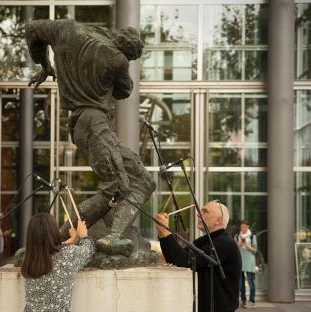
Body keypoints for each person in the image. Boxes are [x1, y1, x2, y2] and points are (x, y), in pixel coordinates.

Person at [25, 19, 157, 255]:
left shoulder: (66, 29)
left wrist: (46, 65)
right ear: (128, 52)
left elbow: (32, 30)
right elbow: (124, 90)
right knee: (114, 186)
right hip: (94, 122)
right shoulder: (118, 60)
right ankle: (54, 243)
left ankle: (114, 235)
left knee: (144, 180)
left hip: (89, 124)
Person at [155, 200, 241, 312]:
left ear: (218, 220)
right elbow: (175, 258)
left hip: (219, 308)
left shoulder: (224, 243)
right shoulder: (205, 240)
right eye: (200, 211)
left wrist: (166, 233)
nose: (198, 214)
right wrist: (162, 234)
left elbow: (186, 261)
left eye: (205, 211)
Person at [21, 213, 94, 312]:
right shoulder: (68, 255)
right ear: (53, 232)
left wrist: (72, 240)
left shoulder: (29, 259)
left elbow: (49, 249)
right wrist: (83, 235)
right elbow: (89, 250)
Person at [235, 220, 257, 308]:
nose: (243, 228)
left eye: (245, 227)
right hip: (240, 261)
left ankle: (252, 301)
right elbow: (233, 249)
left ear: (248, 227)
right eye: (242, 227)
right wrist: (238, 244)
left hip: (250, 262)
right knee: (240, 283)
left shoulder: (252, 236)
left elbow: (255, 250)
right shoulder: (237, 236)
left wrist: (247, 246)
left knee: (251, 282)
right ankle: (243, 301)